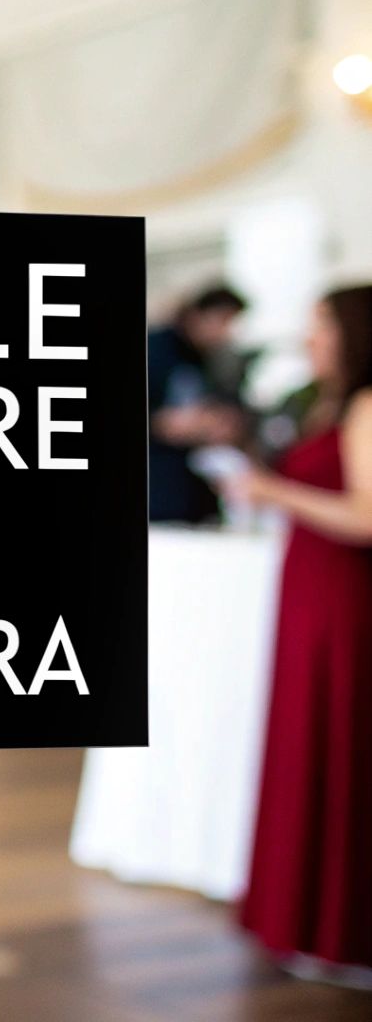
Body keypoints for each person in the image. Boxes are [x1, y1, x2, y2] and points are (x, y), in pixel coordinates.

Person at [233, 285, 372, 983]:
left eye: (322, 327)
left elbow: (368, 516)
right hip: (312, 596)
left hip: (345, 602)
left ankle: (347, 932)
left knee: (343, 747)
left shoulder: (367, 406)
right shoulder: (327, 403)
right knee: (309, 744)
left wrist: (272, 492)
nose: (309, 339)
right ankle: (310, 922)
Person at [148, 284, 250, 523]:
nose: (224, 332)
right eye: (221, 321)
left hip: (192, 486)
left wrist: (224, 422)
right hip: (157, 486)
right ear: (196, 315)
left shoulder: (213, 359)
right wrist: (160, 423)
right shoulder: (156, 350)